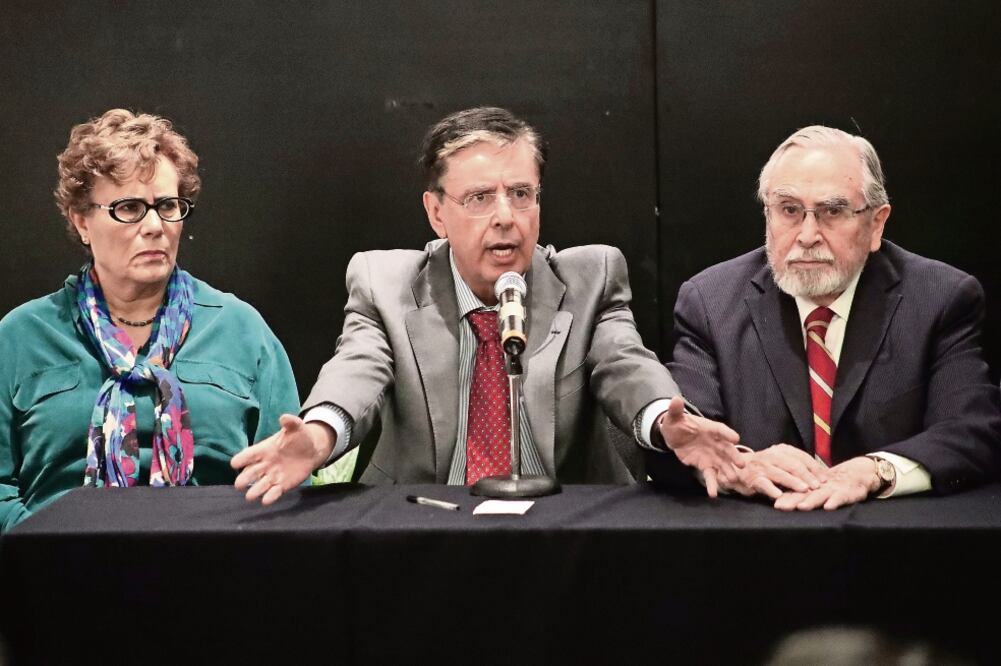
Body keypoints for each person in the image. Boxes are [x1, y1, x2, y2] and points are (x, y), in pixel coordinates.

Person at [232, 106, 742, 504]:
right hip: (423, 523)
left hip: (561, 525)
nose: (505, 217)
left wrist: (663, 420)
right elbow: (357, 370)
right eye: (478, 198)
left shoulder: (592, 279)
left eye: (521, 194)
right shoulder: (383, 283)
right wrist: (322, 433)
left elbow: (624, 363)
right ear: (436, 212)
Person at [648, 125, 1001, 510]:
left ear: (876, 224)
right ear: (767, 214)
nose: (807, 235)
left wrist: (876, 471)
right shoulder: (711, 302)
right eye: (789, 210)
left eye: (833, 211)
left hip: (893, 547)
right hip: (752, 546)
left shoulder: (939, 299)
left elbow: (972, 430)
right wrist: (741, 466)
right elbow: (685, 438)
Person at [0, 109, 299, 532]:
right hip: (54, 574)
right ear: (81, 220)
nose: (155, 226)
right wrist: (48, 554)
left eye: (168, 206)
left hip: (216, 570)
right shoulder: (21, 337)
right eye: (130, 208)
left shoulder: (242, 331)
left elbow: (284, 484)